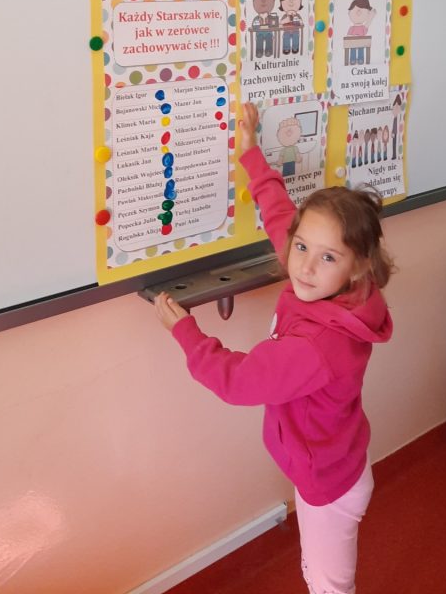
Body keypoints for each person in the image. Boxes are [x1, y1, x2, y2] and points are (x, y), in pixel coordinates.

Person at [154, 102, 394, 594]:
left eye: (327, 257)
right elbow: (282, 217)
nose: (303, 266)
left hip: (328, 484)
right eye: (301, 247)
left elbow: (239, 382)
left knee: (328, 584)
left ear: (357, 267)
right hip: (335, 460)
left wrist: (186, 334)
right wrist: (250, 154)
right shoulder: (335, 288)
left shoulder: (317, 346)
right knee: (318, 569)